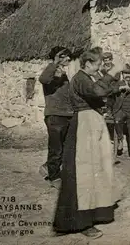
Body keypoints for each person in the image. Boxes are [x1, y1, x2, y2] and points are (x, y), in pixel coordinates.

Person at [53, 48, 126, 238]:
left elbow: (101, 91)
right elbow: (97, 91)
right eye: (97, 65)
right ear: (87, 64)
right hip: (84, 124)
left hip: (93, 121)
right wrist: (112, 73)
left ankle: (96, 212)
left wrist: (117, 86)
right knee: (83, 172)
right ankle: (80, 222)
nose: (100, 67)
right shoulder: (80, 78)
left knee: (98, 169)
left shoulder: (87, 78)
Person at [38, 46, 73, 189]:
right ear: (58, 57)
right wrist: (55, 63)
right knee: (56, 148)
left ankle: (48, 167)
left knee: (65, 147)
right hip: (54, 116)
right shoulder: (50, 71)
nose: (68, 59)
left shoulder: (64, 75)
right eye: (65, 57)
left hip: (67, 115)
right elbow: (43, 79)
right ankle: (54, 177)